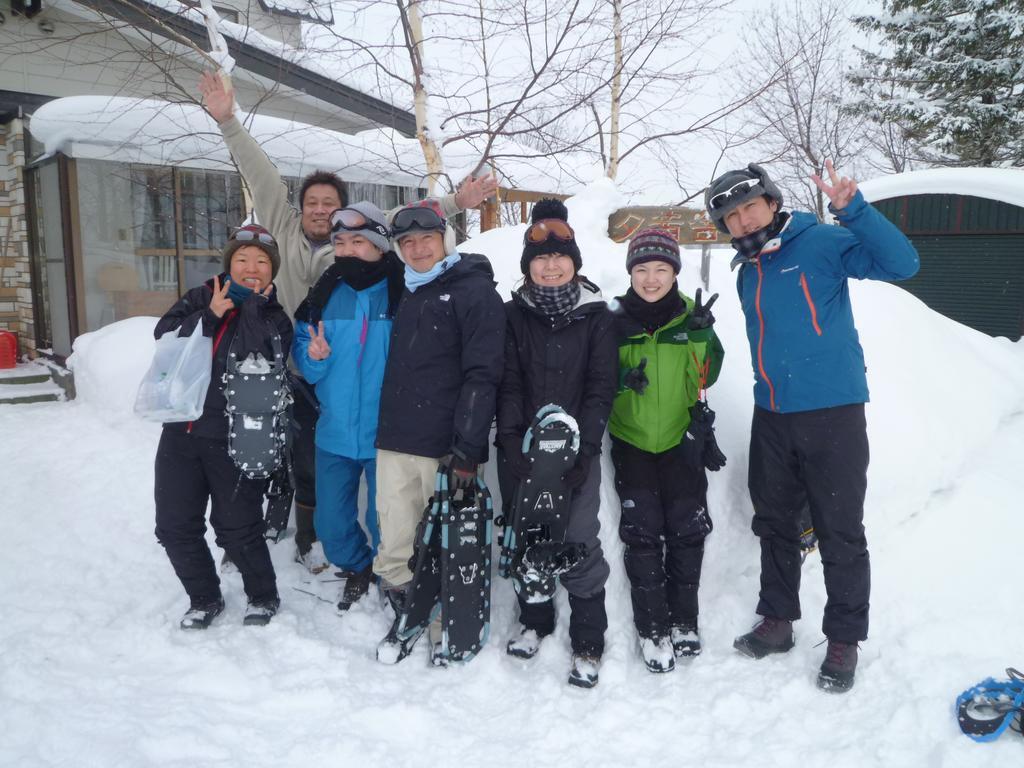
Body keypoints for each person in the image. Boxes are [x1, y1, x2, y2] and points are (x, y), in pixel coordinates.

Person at [198, 72, 497, 573]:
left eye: (330, 206)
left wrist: (454, 205)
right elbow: (261, 175)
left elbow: (407, 218)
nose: (321, 211)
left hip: (367, 400)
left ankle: (379, 563)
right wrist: (228, 120)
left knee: (379, 499)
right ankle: (309, 537)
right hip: (305, 368)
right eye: (313, 204)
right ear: (301, 210)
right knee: (309, 466)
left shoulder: (388, 278)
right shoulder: (289, 234)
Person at [704, 160, 919, 692]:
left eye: (750, 207)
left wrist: (854, 210)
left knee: (839, 529)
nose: (744, 221)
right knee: (775, 523)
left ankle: (844, 639)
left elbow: (903, 263)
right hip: (772, 414)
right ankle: (777, 621)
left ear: (773, 203)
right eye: (731, 217)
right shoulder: (749, 268)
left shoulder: (822, 243)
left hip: (833, 413)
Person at [373, 199, 506, 665]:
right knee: (395, 529)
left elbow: (483, 374)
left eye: (426, 239)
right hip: (395, 436)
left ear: (445, 240)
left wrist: (468, 448)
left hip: (444, 446)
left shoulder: (474, 292)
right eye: (406, 242)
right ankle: (404, 597)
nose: (417, 249)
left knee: (445, 541)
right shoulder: (409, 288)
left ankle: (444, 614)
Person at [495, 199, 617, 688]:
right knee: (527, 535)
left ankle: (589, 636)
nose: (550, 266)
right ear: (528, 265)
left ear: (574, 262)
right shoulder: (512, 315)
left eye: (559, 257)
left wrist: (585, 450)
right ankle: (535, 619)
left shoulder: (597, 316)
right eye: (540, 259)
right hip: (521, 450)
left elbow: (600, 385)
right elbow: (507, 382)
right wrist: (509, 441)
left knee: (579, 537)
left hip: (574, 455)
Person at [153, 225, 293, 629]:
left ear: (272, 270)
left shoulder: (276, 316)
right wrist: (211, 314)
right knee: (174, 526)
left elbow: (266, 358)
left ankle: (263, 596)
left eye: (262, 262)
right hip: (182, 430)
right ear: (229, 263)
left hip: (238, 434)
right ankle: (204, 598)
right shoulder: (202, 296)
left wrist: (248, 309)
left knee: (237, 528)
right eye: (243, 259)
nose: (252, 268)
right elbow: (164, 338)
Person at [608, 227, 725, 674]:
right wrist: (622, 383)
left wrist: (699, 337)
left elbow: (708, 375)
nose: (651, 278)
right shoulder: (615, 318)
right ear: (631, 273)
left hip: (681, 440)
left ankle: (684, 621)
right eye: (642, 269)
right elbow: (598, 377)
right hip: (632, 439)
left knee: (686, 529)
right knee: (641, 531)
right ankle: (652, 627)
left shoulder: (693, 315)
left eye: (661, 269)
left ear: (674, 272)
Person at [292, 203, 403, 611]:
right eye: (340, 242)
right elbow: (306, 362)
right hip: (335, 434)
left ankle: (391, 574)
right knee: (331, 528)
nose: (348, 250)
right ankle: (359, 565)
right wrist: (314, 356)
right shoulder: (323, 295)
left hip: (386, 436)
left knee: (385, 521)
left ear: (378, 245)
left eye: (358, 241)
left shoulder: (402, 292)